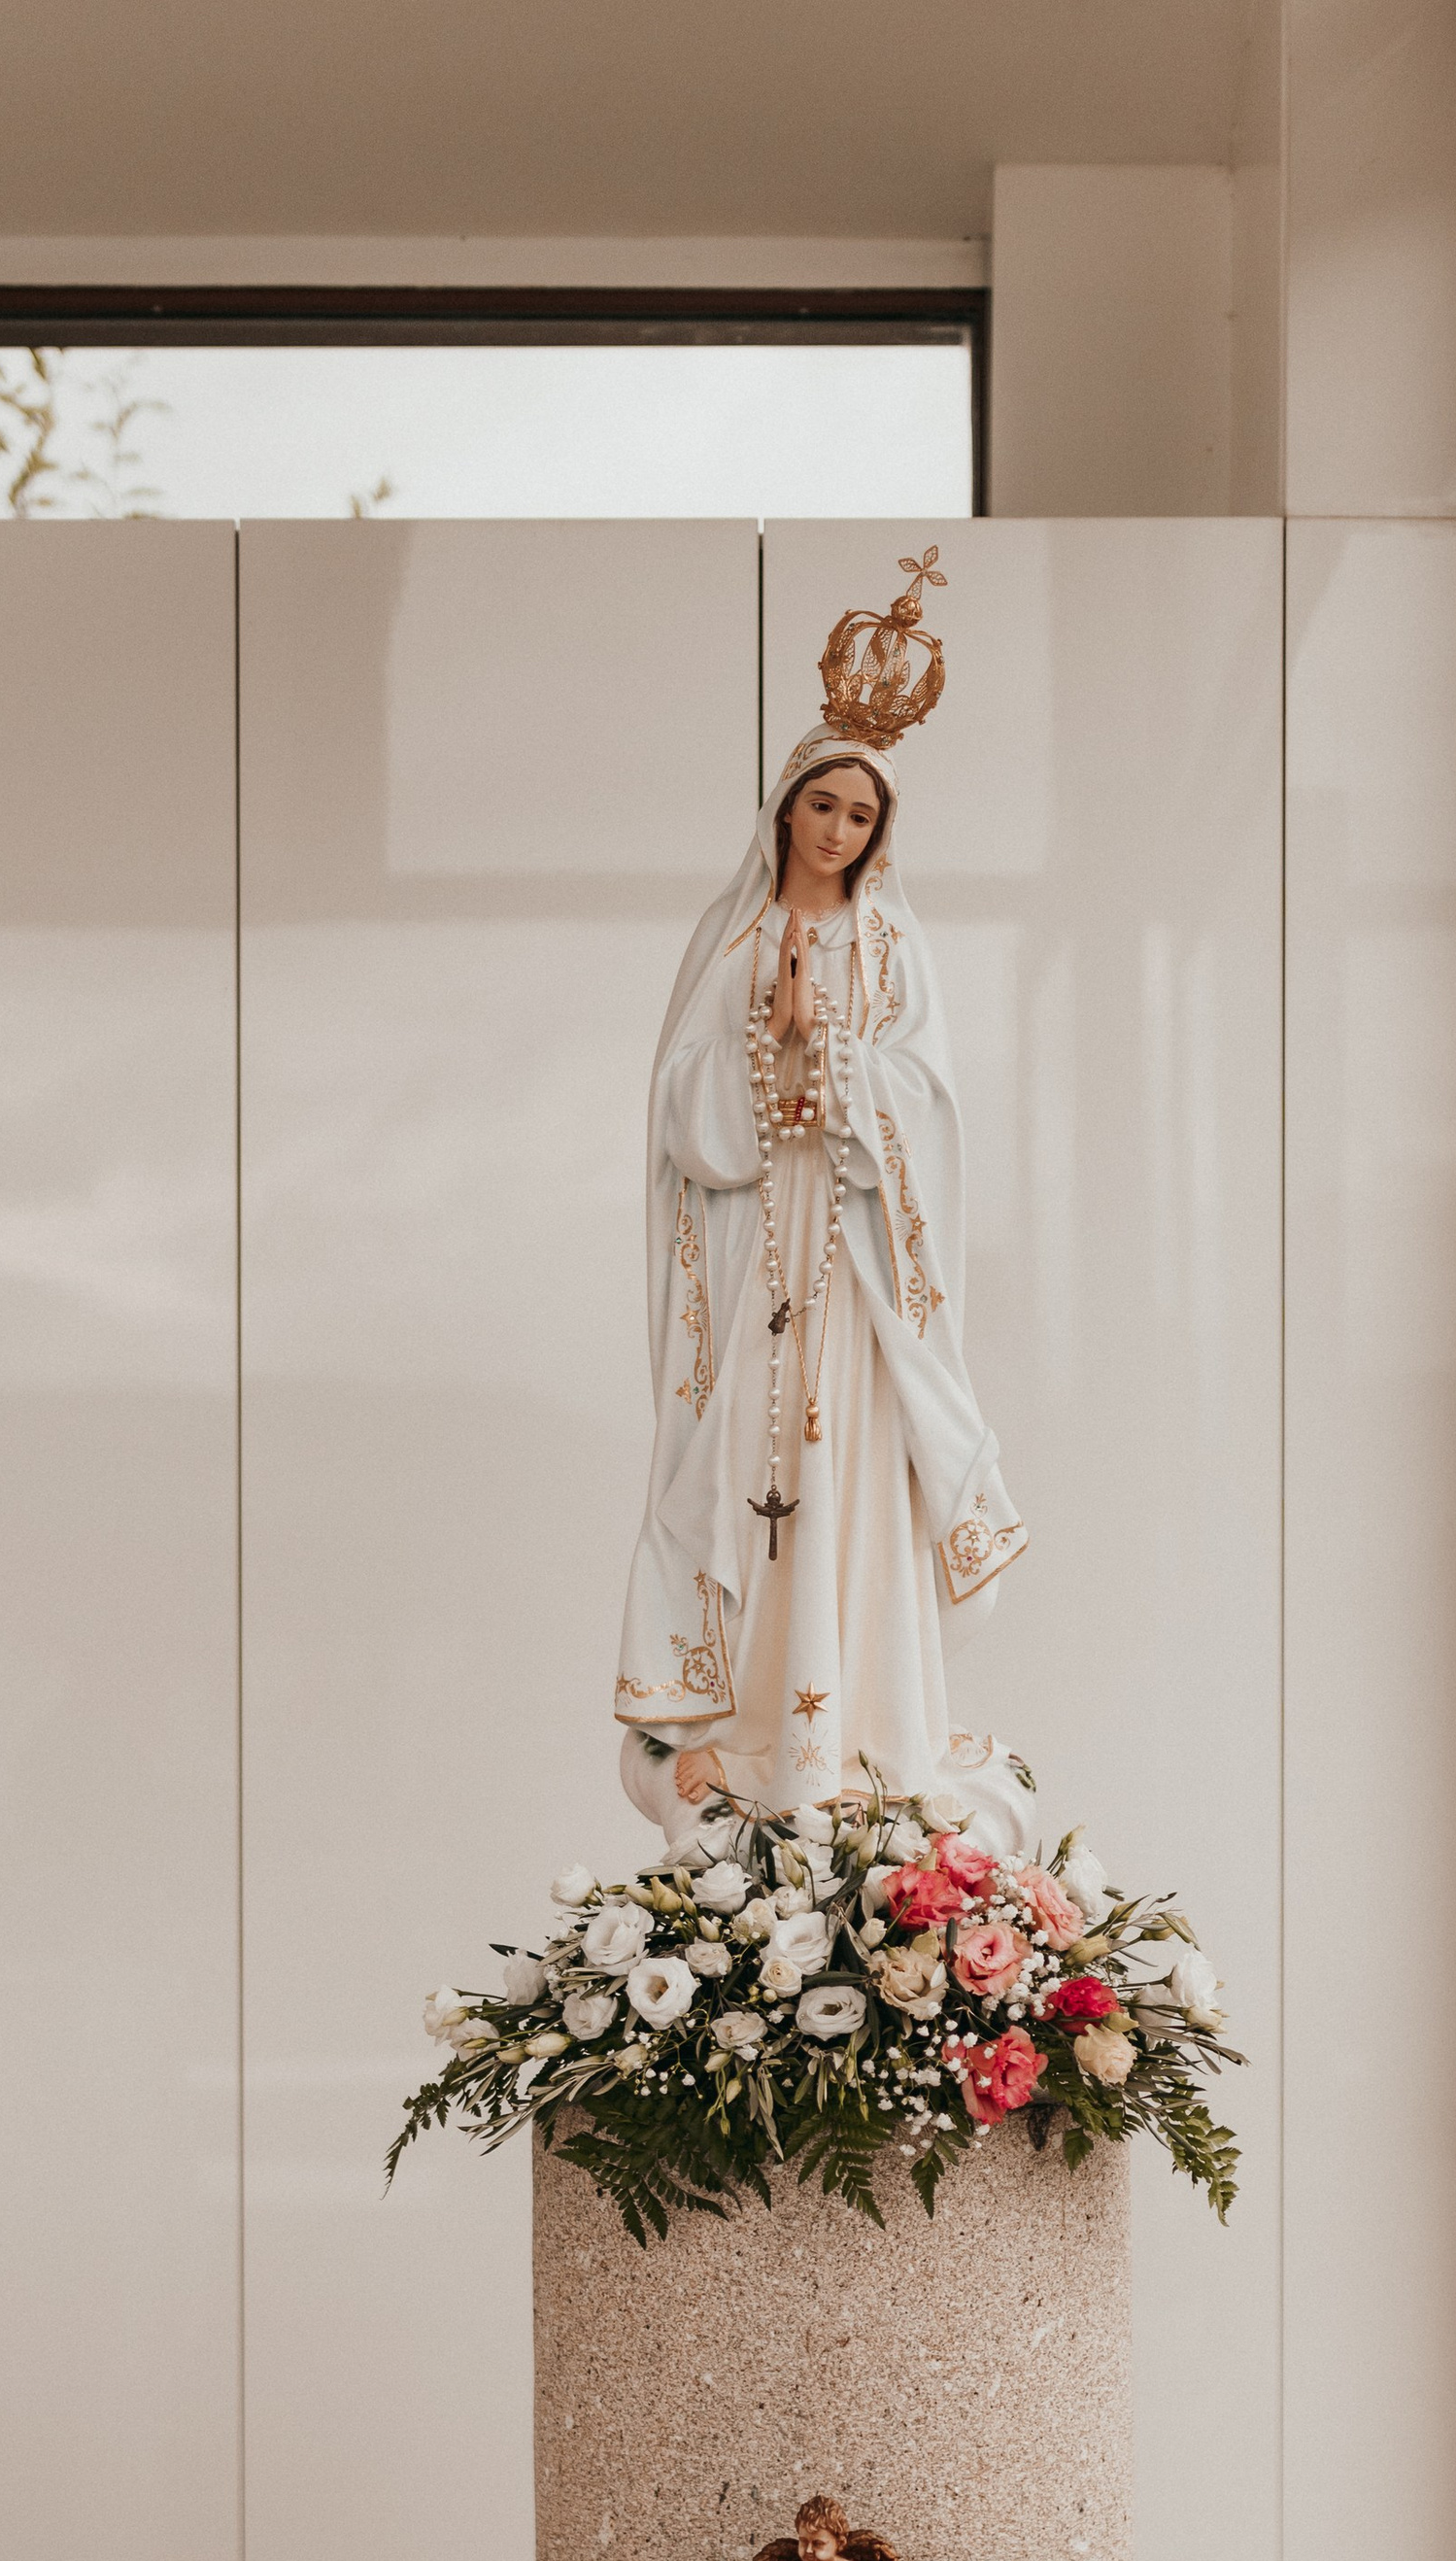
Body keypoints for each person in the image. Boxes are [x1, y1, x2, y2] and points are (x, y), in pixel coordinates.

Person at [613, 552, 1031, 1850]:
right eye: (824, 803)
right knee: (745, 1473)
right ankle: (752, 1738)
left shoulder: (896, 947)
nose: (840, 828)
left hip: (852, 1274)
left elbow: (929, 1109)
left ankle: (868, 1731)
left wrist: (836, 1064)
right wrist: (762, 1059)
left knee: (854, 1474)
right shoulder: (731, 938)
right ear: (788, 805)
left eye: (862, 813)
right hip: (754, 1275)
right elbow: (684, 1111)